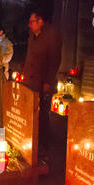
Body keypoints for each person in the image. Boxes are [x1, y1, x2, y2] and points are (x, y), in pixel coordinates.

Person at [23, 9, 62, 157]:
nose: (29, 25)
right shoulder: (32, 36)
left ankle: (44, 147)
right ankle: (33, 143)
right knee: (31, 116)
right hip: (30, 82)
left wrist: (47, 82)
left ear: (40, 21)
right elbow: (30, 57)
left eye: (31, 22)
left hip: (43, 83)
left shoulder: (52, 35)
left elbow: (54, 60)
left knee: (42, 117)